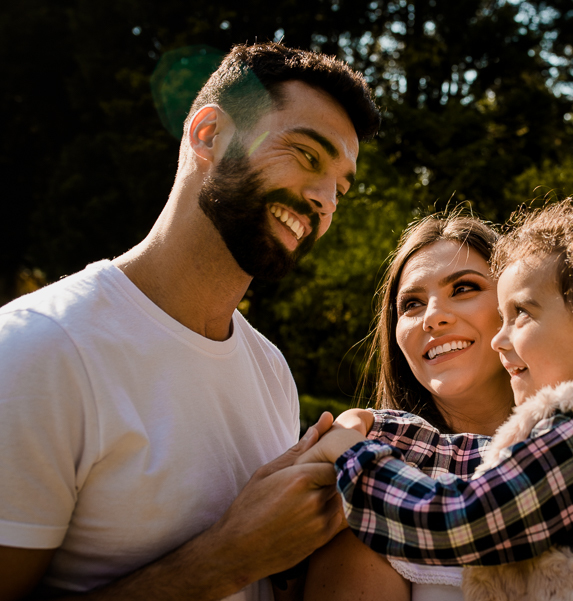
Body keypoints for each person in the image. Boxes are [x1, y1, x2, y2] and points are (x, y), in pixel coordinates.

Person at [0, 42, 380, 601]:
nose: (325, 202)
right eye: (306, 155)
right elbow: (238, 560)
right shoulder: (40, 349)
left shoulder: (270, 370)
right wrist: (228, 557)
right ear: (209, 136)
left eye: (340, 190)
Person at [303, 200, 573, 600]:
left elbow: (466, 518)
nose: (500, 338)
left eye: (520, 314)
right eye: (411, 304)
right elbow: (477, 459)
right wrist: (378, 426)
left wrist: (356, 460)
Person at [303, 214, 516, 600]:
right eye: (412, 304)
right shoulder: (367, 493)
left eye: (463, 288)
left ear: (515, 302)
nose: (432, 317)